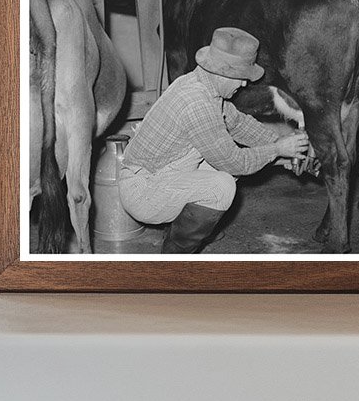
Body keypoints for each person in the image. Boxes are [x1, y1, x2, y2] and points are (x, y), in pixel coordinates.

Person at [118, 26, 310, 254]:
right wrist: (277, 150)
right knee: (222, 186)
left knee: (227, 164)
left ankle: (189, 225)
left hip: (163, 171)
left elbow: (239, 124)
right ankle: (174, 256)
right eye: (242, 78)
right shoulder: (198, 103)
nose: (244, 84)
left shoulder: (201, 84)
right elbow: (234, 161)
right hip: (143, 191)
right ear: (224, 73)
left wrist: (283, 147)